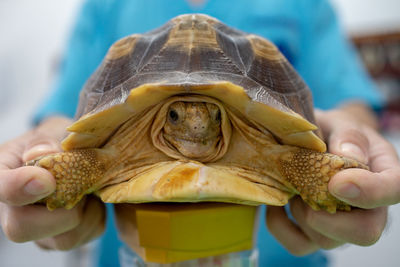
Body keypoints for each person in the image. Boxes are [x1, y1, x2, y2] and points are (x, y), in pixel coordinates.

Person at [0, 0, 399, 266]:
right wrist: (41, 166)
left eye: (209, 116)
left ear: (222, 118)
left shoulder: (303, 4)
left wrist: (354, 152)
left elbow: (350, 104)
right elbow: (62, 120)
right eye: (175, 116)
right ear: (161, 118)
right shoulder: (106, 5)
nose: (196, 126)